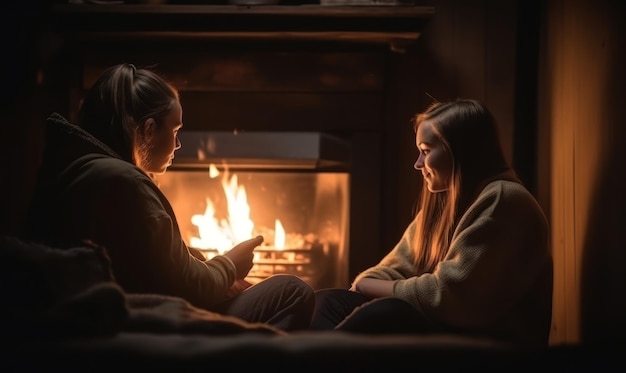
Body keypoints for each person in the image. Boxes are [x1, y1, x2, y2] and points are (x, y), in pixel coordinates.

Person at [23, 63, 315, 331]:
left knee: (321, 302)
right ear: (149, 130)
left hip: (115, 316)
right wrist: (229, 265)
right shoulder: (125, 182)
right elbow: (185, 287)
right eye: (175, 130)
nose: (178, 144)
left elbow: (157, 266)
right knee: (292, 290)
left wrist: (215, 272)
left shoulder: (74, 171)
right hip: (149, 326)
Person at [310, 99, 553, 347]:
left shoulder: (504, 200)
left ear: (459, 150)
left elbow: (451, 297)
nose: (417, 164)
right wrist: (365, 284)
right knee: (329, 300)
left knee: (384, 314)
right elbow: (397, 266)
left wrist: (367, 284)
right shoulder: (445, 202)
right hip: (446, 328)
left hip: (493, 345)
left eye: (425, 151)